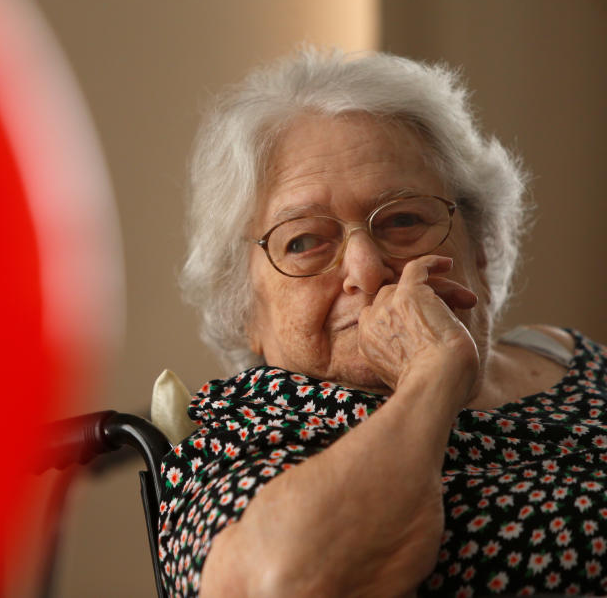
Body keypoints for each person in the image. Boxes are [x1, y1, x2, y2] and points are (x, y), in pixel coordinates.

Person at [158, 48, 607, 597]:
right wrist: (432, 380)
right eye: (304, 241)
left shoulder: (567, 356)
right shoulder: (242, 438)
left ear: (482, 249)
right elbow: (280, 585)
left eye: (403, 220)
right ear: (246, 306)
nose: (367, 271)